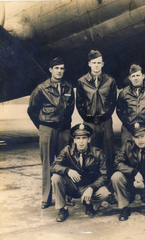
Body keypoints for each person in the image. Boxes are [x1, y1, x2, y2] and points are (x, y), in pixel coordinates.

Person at [27, 57, 75, 209]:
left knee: (64, 162)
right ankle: (46, 197)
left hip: (63, 130)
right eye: (56, 68)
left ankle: (66, 195)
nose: (59, 71)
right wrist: (42, 126)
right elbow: (32, 110)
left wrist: (65, 127)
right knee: (47, 163)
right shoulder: (41, 88)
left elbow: (70, 109)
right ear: (50, 70)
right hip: (47, 129)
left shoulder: (68, 87)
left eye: (61, 68)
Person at [51, 123, 110, 222]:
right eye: (78, 138)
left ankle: (89, 204)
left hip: (89, 186)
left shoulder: (98, 153)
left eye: (84, 138)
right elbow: (53, 166)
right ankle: (63, 209)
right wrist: (68, 170)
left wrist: (92, 188)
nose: (81, 141)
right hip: (72, 186)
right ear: (74, 140)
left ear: (89, 139)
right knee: (56, 178)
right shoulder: (67, 150)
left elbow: (104, 175)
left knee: (105, 193)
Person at [76, 50, 117, 177]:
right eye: (94, 63)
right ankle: (92, 181)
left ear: (103, 64)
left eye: (99, 63)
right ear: (89, 64)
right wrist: (88, 117)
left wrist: (105, 115)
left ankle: (109, 184)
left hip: (106, 121)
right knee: (91, 153)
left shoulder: (110, 81)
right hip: (90, 122)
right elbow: (79, 103)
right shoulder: (82, 81)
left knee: (108, 153)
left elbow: (113, 101)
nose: (96, 66)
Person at [116, 64, 145, 145]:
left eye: (138, 75)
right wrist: (129, 125)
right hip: (128, 130)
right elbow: (119, 111)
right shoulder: (124, 93)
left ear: (143, 76)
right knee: (127, 153)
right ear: (130, 78)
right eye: (133, 76)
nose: (136, 78)